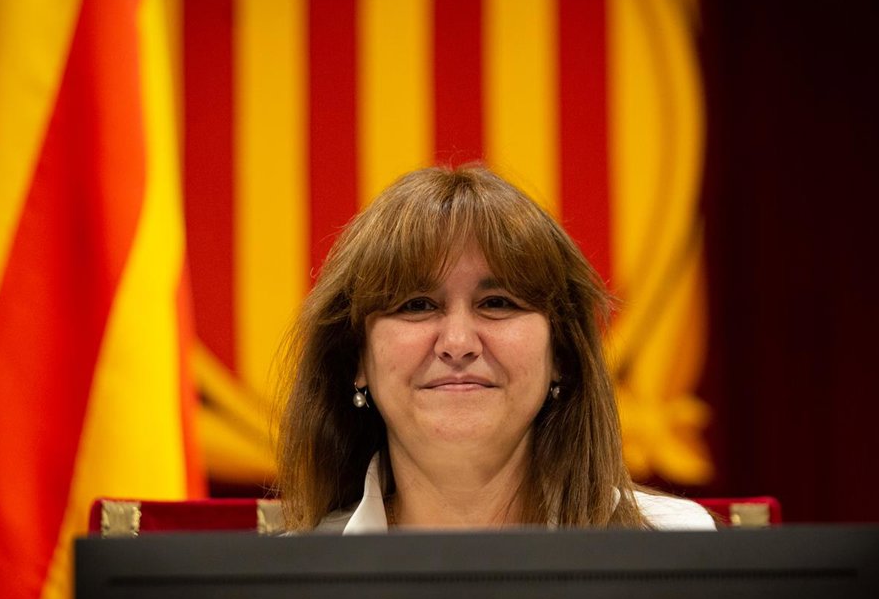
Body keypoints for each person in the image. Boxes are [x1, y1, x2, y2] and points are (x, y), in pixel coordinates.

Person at [277, 165, 714, 532]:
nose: (458, 344)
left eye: (497, 303)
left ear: (561, 354)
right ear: (357, 358)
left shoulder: (672, 544)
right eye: (417, 305)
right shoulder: (297, 577)